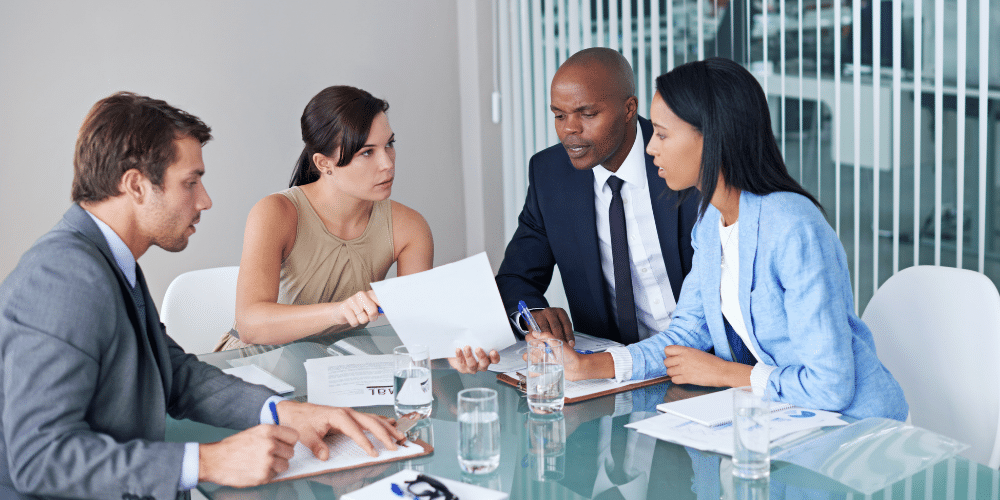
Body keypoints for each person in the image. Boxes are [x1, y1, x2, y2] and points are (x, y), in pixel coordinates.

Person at [0, 91, 406, 499]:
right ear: (136, 185)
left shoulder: (106, 261)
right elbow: (38, 457)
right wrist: (209, 461)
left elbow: (175, 375)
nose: (205, 200)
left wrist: (283, 411)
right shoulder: (62, 279)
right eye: (190, 182)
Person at [550, 58, 908, 420]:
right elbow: (687, 334)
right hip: (791, 420)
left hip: (856, 433)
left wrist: (726, 374)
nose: (650, 148)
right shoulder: (710, 223)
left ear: (711, 137)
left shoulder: (792, 227)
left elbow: (831, 385)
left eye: (662, 134)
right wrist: (585, 366)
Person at [219, 85, 497, 373]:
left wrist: (452, 356)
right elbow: (251, 324)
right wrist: (339, 311)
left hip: (342, 369)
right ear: (323, 163)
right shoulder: (276, 213)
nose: (387, 163)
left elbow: (420, 334)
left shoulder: (410, 227)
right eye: (367, 153)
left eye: (389, 144)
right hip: (260, 366)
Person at [495, 48, 699, 348]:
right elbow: (516, 277)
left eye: (587, 114)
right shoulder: (550, 175)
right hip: (610, 367)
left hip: (702, 359)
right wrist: (533, 314)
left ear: (629, 109)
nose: (569, 129)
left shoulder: (681, 157)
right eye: (559, 115)